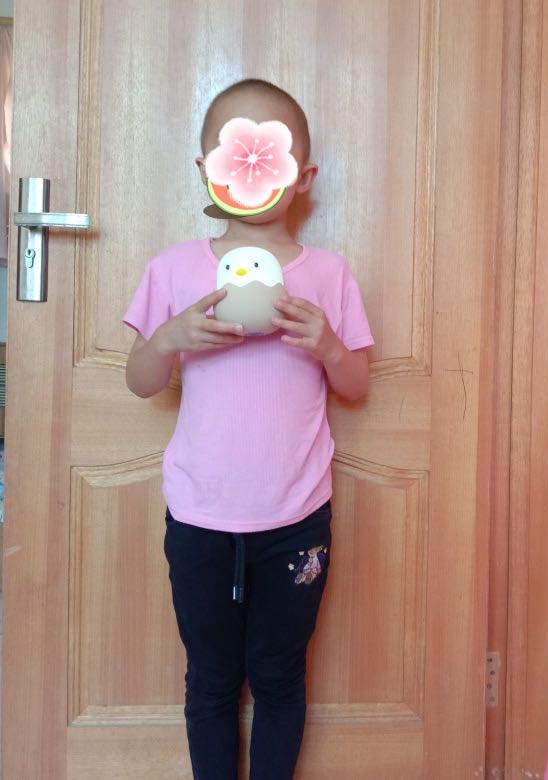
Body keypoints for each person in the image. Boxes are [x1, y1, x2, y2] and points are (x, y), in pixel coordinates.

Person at [122, 78, 373, 780]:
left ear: (304, 178)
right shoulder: (175, 268)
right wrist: (170, 337)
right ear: (205, 169)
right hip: (199, 516)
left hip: (296, 519)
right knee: (209, 679)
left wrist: (328, 347)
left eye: (270, 154)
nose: (252, 168)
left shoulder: (329, 275)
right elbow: (139, 379)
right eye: (236, 154)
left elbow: (357, 383)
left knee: (280, 676)